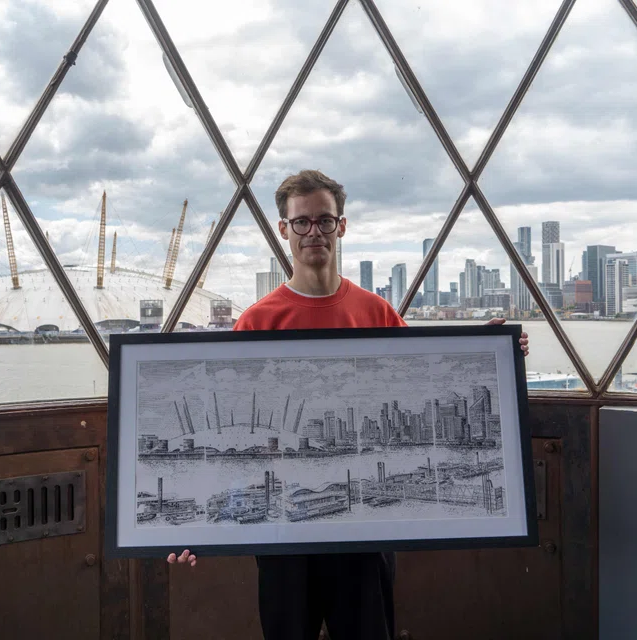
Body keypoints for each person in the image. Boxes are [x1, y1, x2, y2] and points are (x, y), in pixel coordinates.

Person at [167, 169, 529, 639]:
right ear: (283, 229)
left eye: (324, 220)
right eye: (302, 222)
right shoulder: (258, 321)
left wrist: (493, 353)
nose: (313, 232)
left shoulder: (376, 312)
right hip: (283, 542)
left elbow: (424, 383)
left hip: (365, 538)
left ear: (342, 226)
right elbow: (241, 437)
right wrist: (198, 531)